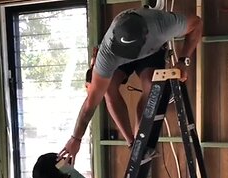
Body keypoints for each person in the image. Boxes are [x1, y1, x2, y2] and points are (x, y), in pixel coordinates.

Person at [58, 6, 203, 164]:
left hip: (151, 51)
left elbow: (197, 23)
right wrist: (76, 139)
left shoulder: (162, 25)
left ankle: (140, 140)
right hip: (117, 57)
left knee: (152, 87)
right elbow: (90, 104)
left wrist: (183, 61)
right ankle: (132, 143)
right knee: (108, 88)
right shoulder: (107, 53)